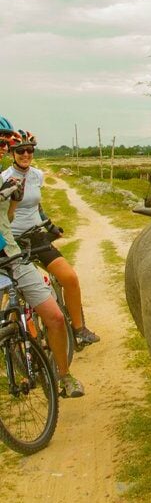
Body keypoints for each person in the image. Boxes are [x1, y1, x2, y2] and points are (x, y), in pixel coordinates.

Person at [0, 127, 85, 397]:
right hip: (14, 246)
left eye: (29, 150)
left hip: (13, 251)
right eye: (18, 149)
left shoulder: (26, 178)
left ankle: (64, 374)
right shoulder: (5, 176)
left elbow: (13, 217)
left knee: (56, 317)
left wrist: (16, 202)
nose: (25, 154)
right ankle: (24, 359)